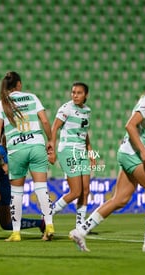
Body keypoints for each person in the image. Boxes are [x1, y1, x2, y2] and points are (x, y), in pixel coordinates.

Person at [70, 65, 145, 252]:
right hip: (133, 154)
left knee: (120, 199)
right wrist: (144, 152)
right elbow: (130, 125)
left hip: (131, 152)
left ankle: (81, 230)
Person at [0, 71, 55, 242]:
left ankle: (16, 233)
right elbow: (46, 122)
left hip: (16, 150)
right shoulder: (32, 98)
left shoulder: (1, 104)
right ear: (18, 84)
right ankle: (49, 225)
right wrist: (51, 141)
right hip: (36, 145)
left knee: (17, 192)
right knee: (41, 187)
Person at [50, 82, 95, 229]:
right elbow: (55, 127)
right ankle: (48, 213)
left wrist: (91, 153)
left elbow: (84, 133)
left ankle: (79, 227)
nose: (75, 95)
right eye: (73, 92)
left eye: (79, 93)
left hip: (82, 152)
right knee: (76, 191)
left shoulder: (87, 111)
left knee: (85, 190)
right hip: (68, 150)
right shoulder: (66, 108)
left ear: (85, 95)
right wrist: (52, 150)